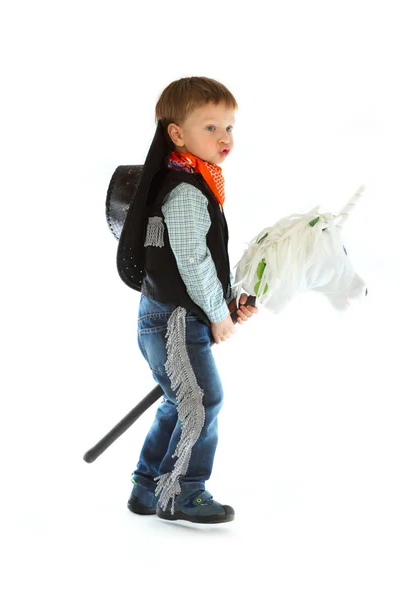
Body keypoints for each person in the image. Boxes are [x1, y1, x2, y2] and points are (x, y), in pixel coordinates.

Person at [126, 76, 258, 524]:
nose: (225, 138)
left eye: (229, 127)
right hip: (175, 321)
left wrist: (226, 303)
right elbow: (192, 260)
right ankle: (181, 491)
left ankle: (147, 488)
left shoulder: (191, 181)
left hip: (169, 318)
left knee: (180, 402)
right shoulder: (184, 190)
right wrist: (217, 315)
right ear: (176, 134)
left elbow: (196, 262)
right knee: (203, 402)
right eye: (211, 127)